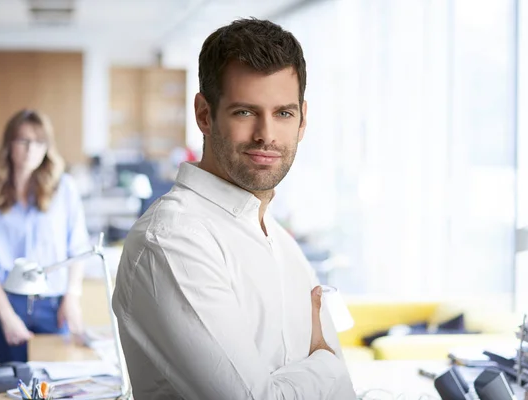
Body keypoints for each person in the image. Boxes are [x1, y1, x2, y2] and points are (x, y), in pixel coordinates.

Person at [112, 18, 356, 399]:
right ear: (204, 114)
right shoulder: (173, 241)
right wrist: (326, 362)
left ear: (303, 119)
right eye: (245, 112)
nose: (267, 134)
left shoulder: (281, 243)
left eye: (283, 113)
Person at [0, 109, 90, 363]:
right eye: (23, 140)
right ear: (9, 145)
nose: (31, 149)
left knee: (56, 384)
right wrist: (6, 316)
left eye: (39, 142)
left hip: (54, 306)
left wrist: (72, 297)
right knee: (15, 386)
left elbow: (78, 248)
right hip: (7, 304)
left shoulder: (64, 189)